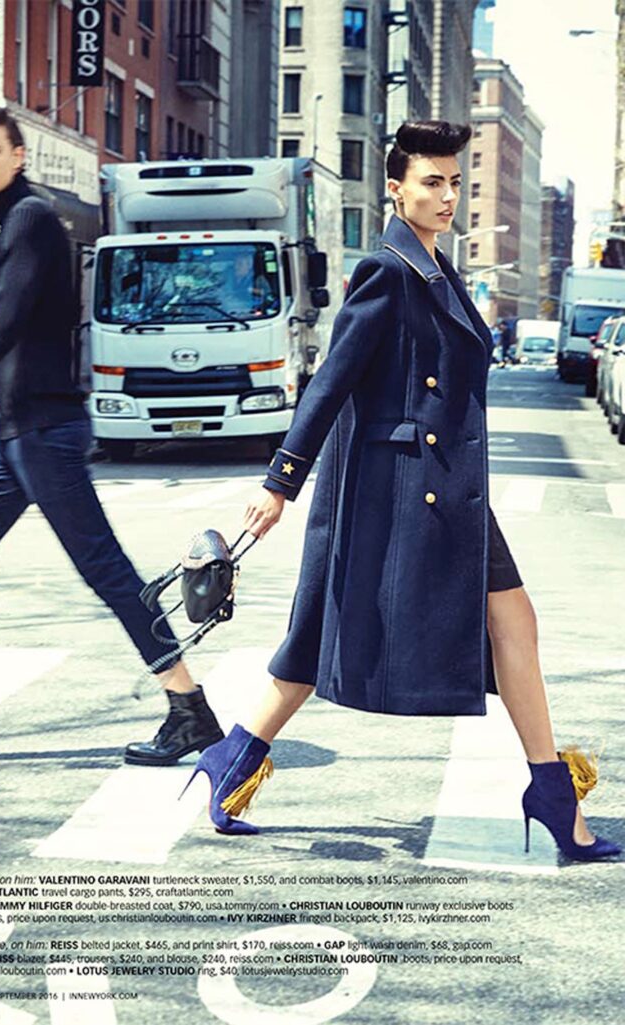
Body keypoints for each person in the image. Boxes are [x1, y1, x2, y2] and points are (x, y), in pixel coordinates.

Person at [183, 121, 620, 862]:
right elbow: (332, 379)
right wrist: (281, 479)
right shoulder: (387, 270)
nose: (447, 196)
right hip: (401, 491)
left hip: (435, 485)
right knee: (346, 628)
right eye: (431, 182)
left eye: (454, 183)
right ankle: (549, 790)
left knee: (453, 623)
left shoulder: (435, 267)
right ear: (396, 189)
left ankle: (234, 756)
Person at [0, 106, 222, 768]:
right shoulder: (19, 221)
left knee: (106, 569)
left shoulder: (30, 219)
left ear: (18, 156)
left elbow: (3, 329)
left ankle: (189, 708)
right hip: (15, 434)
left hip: (45, 432)